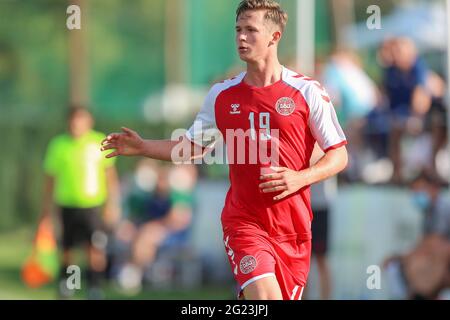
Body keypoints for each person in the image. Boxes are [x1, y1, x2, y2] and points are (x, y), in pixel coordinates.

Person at [101, 0, 348, 300]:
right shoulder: (222, 95)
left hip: (292, 229)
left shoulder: (307, 92)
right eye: (238, 30)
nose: (241, 38)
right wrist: (143, 147)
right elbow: (191, 148)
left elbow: (338, 154)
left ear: (274, 37)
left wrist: (299, 178)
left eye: (251, 30)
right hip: (244, 222)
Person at [41, 106, 121, 299]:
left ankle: (94, 287)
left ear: (89, 121)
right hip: (67, 204)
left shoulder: (98, 142)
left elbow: (110, 177)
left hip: (92, 206)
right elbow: (50, 180)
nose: (77, 123)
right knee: (68, 249)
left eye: (81, 119)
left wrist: (112, 205)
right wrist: (46, 211)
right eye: (74, 119)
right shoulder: (58, 144)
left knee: (94, 248)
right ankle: (69, 285)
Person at [115, 163, 196, 293]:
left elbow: (178, 220)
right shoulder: (150, 195)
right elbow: (138, 216)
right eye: (159, 178)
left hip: (172, 234)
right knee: (130, 234)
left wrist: (155, 226)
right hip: (149, 230)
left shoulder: (177, 196)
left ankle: (134, 272)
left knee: (146, 236)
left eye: (164, 178)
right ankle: (131, 271)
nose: (161, 182)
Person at [384, 171, 450, 299]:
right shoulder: (429, 212)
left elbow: (435, 243)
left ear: (434, 188)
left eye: (420, 189)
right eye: (414, 190)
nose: (416, 194)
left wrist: (405, 257)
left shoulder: (441, 208)